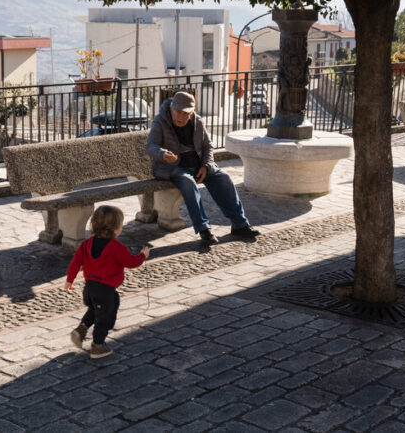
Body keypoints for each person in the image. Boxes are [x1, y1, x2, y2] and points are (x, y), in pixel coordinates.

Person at [146, 91, 260, 246]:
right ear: (172, 108)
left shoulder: (197, 121)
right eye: (177, 112)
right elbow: (151, 146)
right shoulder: (160, 121)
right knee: (188, 182)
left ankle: (240, 224)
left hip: (198, 165)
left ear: (191, 113)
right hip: (173, 167)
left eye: (185, 113)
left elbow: (208, 146)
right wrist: (162, 154)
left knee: (223, 177)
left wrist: (206, 166)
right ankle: (204, 229)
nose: (180, 116)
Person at [65, 206, 149, 359]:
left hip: (89, 288)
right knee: (104, 316)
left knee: (96, 309)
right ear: (116, 229)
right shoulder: (117, 248)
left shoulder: (86, 244)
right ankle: (98, 346)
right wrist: (143, 255)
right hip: (105, 290)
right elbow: (130, 262)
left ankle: (81, 329)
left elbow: (75, 263)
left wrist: (69, 280)